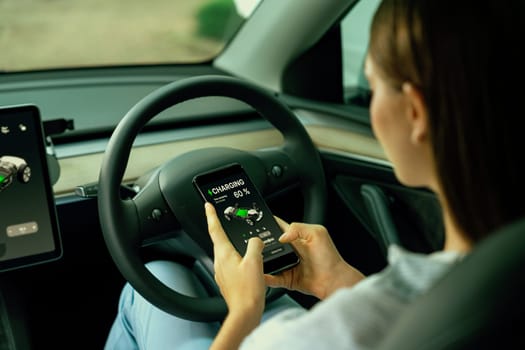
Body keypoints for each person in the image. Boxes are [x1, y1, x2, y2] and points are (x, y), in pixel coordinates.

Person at [104, 0, 525, 348]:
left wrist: (245, 313)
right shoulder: (488, 284)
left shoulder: (317, 335)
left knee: (152, 288)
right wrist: (338, 281)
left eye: (373, 87)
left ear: (415, 112)